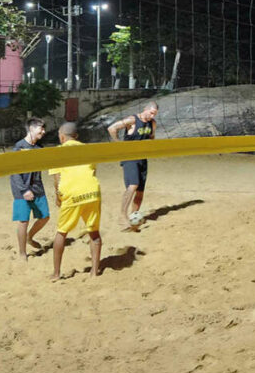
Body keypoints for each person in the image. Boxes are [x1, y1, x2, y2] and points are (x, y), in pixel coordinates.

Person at [48, 122, 102, 280]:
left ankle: (56, 274)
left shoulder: (57, 152)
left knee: (61, 232)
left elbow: (57, 179)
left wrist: (58, 197)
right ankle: (94, 272)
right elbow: (93, 171)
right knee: (94, 232)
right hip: (92, 192)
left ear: (62, 137)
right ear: (76, 136)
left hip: (72, 194)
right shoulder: (88, 149)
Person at [107, 101, 158, 230]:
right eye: (151, 113)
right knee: (133, 185)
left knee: (140, 191)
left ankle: (133, 216)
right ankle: (122, 215)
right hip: (129, 157)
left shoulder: (152, 123)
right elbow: (112, 128)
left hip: (142, 158)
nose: (152, 116)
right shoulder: (132, 120)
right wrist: (119, 144)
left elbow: (152, 137)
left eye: (155, 114)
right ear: (145, 109)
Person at [9, 117, 50, 260]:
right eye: (41, 128)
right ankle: (22, 253)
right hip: (21, 189)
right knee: (23, 221)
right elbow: (14, 172)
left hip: (37, 187)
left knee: (45, 217)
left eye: (44, 128)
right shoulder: (19, 147)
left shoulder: (39, 147)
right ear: (31, 129)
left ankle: (29, 237)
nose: (43, 131)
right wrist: (24, 190)